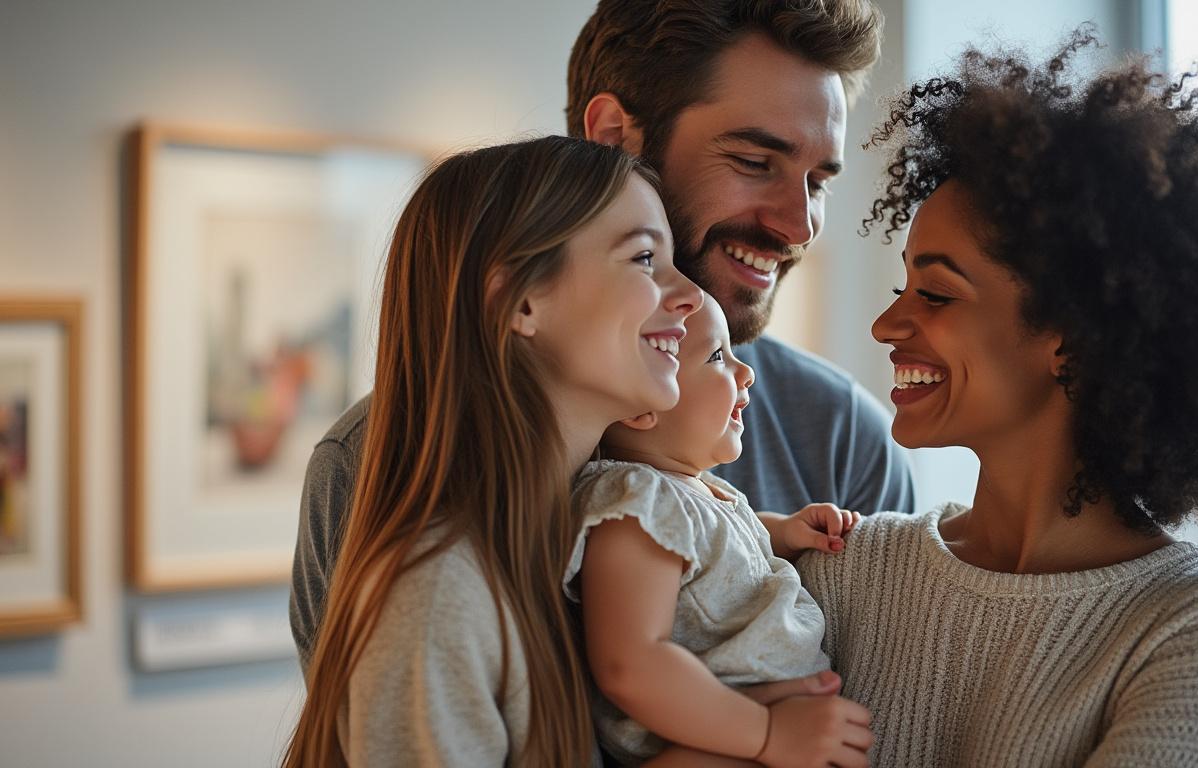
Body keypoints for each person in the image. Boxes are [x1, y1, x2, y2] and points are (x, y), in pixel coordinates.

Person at [290, 0, 915, 670]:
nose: (800, 227)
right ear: (614, 135)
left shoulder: (841, 437)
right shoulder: (381, 462)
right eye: (755, 161)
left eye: (817, 182)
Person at [795, 28, 1198, 766]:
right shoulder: (840, 567)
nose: (887, 323)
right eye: (901, 288)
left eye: (935, 292)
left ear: (1074, 336)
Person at [282, 136, 704, 767]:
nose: (689, 294)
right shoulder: (434, 595)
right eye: (645, 258)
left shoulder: (584, 545)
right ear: (522, 301)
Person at [567, 295, 870, 767]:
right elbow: (630, 664)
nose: (745, 371)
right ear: (639, 406)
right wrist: (767, 735)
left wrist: (783, 533)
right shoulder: (636, 502)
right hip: (707, 738)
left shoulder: (696, 492)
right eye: (716, 356)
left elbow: (717, 557)